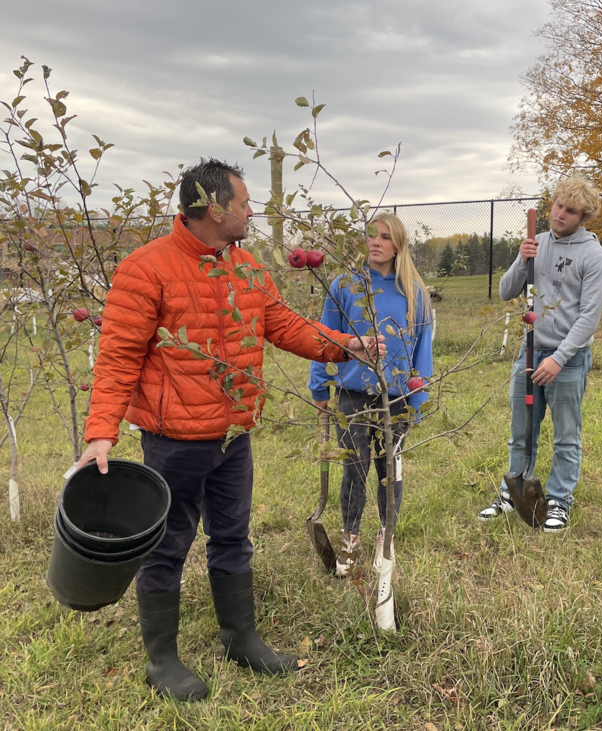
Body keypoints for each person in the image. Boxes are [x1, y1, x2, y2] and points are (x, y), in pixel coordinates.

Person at [76, 159, 384, 702]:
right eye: (244, 203)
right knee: (168, 545)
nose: (251, 211)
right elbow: (119, 356)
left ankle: (240, 637)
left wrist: (347, 344)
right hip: (173, 439)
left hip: (233, 434)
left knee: (232, 536)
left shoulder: (245, 267)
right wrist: (102, 430)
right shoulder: (145, 269)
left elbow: (284, 324)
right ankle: (162, 659)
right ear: (214, 208)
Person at [478, 177, 602, 532]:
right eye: (558, 206)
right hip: (529, 351)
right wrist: (522, 260)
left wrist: (559, 358)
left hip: (567, 359)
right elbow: (507, 292)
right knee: (521, 430)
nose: (561, 214)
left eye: (571, 210)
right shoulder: (536, 244)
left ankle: (559, 499)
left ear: (583, 216)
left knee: (566, 434)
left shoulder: (594, 256)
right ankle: (514, 489)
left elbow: (589, 318)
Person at [309, 212, 433, 578]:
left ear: (398, 245)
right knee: (354, 467)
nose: (376, 242)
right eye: (371, 236)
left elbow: (422, 350)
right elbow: (325, 338)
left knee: (388, 469)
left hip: (394, 397)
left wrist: (417, 397)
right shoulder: (346, 286)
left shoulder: (414, 291)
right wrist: (320, 386)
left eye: (384, 237)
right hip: (353, 394)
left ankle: (386, 535)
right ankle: (350, 537)